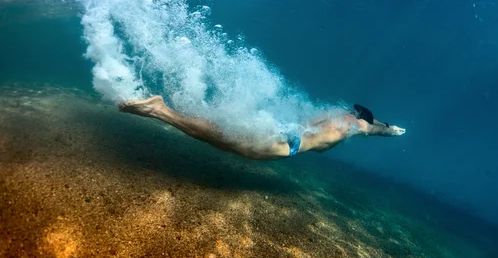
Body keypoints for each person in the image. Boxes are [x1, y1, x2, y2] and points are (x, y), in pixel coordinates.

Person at [118, 96, 405, 160]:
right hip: (288, 143)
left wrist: (384, 122)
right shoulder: (357, 124)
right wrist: (391, 130)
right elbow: (375, 128)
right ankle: (158, 110)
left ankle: (161, 110)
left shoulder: (336, 113)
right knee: (225, 141)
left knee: (223, 138)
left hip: (285, 129)